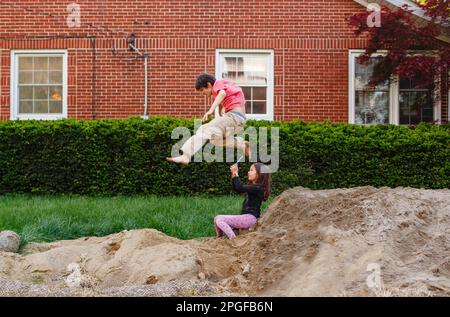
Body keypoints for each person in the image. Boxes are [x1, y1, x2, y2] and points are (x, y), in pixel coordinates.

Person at [166, 73, 251, 165]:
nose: (203, 93)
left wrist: (211, 110)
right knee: (214, 139)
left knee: (204, 129)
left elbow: (222, 93)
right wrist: (219, 113)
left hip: (234, 118)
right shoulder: (222, 88)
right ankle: (241, 144)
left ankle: (185, 156)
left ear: (209, 85)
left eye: (203, 90)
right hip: (237, 121)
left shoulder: (217, 84)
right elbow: (222, 100)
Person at [214, 162, 272, 239]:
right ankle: (220, 238)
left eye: (251, 170)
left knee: (220, 219)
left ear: (260, 174)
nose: (248, 172)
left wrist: (235, 173)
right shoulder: (254, 187)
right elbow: (236, 188)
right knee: (216, 218)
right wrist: (234, 174)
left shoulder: (258, 188)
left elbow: (239, 187)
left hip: (250, 218)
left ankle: (233, 239)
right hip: (245, 217)